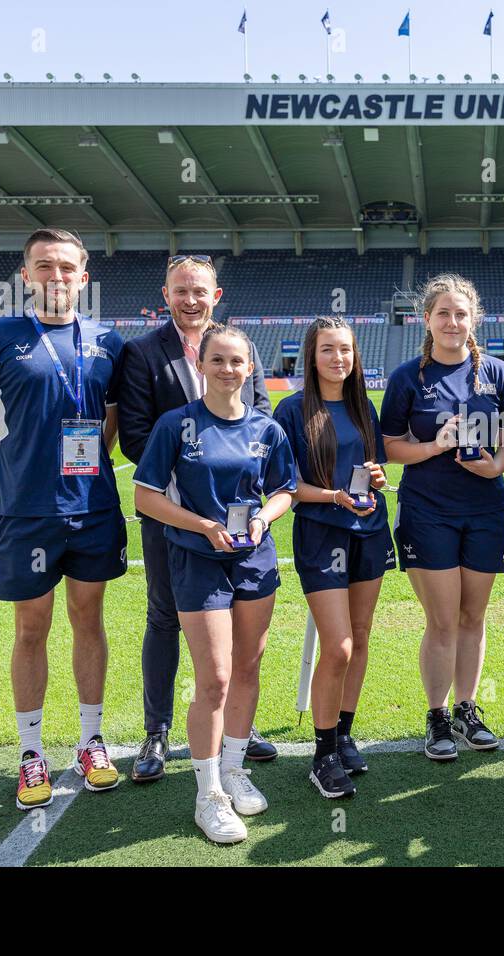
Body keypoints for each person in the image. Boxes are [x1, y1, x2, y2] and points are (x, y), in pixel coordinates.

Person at [0, 227, 127, 811]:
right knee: (31, 628)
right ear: (26, 276)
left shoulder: (109, 339)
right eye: (43, 266)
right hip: (26, 514)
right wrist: (14, 485)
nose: (55, 276)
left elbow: (108, 425)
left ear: (83, 277)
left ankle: (90, 740)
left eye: (66, 267)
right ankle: (31, 752)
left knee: (90, 620)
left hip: (93, 507)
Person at [133, 325, 296, 844]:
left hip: (255, 559)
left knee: (248, 666)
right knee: (216, 678)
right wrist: (201, 525)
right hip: (197, 560)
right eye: (218, 360)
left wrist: (264, 519)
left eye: (237, 362)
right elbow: (145, 496)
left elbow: (284, 490)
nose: (228, 369)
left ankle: (233, 767)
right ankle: (207, 794)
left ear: (251, 369)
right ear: (200, 365)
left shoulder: (267, 429)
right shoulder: (175, 425)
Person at [117, 255, 276, 784]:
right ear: (166, 294)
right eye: (181, 290)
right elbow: (138, 436)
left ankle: (237, 725)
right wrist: (192, 468)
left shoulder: (240, 346)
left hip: (238, 519)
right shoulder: (141, 353)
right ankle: (157, 730)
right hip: (172, 514)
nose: (190, 299)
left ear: (216, 294)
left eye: (200, 291)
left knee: (234, 624)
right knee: (163, 615)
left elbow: (263, 420)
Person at [379, 274, 504, 762]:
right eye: (443, 313)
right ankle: (437, 715)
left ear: (473, 319)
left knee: (472, 616)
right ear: (427, 319)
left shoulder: (498, 374)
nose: (453, 322)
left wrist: (495, 465)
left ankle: (466, 708)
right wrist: (433, 446)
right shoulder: (407, 378)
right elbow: (389, 447)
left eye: (461, 314)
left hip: (485, 509)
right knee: (442, 619)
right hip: (427, 510)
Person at [273, 317, 393, 798]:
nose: (338, 358)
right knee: (338, 645)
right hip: (322, 533)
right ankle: (322, 754)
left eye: (345, 349)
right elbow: (285, 486)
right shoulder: (291, 411)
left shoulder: (365, 407)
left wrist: (376, 481)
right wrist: (333, 496)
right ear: (312, 355)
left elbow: (376, 467)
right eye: (328, 350)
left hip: (369, 528)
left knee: (360, 640)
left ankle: (344, 735)